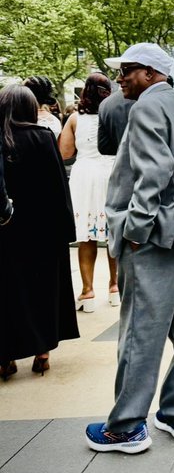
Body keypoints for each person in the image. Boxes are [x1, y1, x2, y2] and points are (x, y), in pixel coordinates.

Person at [85, 42, 174, 454]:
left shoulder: (146, 107)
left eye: (127, 70)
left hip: (159, 235)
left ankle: (125, 426)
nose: (121, 78)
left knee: (141, 331)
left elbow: (154, 172)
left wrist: (135, 230)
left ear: (149, 73)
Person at [0, 84, 78, 380]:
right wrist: (65, 229)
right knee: (43, 290)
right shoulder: (42, 137)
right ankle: (42, 351)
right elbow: (58, 188)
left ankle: (6, 355)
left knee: (8, 291)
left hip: (7, 230)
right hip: (42, 230)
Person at [58, 72, 118, 312]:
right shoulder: (114, 114)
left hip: (85, 176)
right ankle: (115, 287)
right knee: (113, 234)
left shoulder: (74, 119)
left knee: (87, 236)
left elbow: (64, 154)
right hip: (111, 173)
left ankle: (88, 291)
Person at [97, 79, 133, 156]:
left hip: (122, 164)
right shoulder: (160, 99)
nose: (118, 79)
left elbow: (104, 148)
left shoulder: (106, 104)